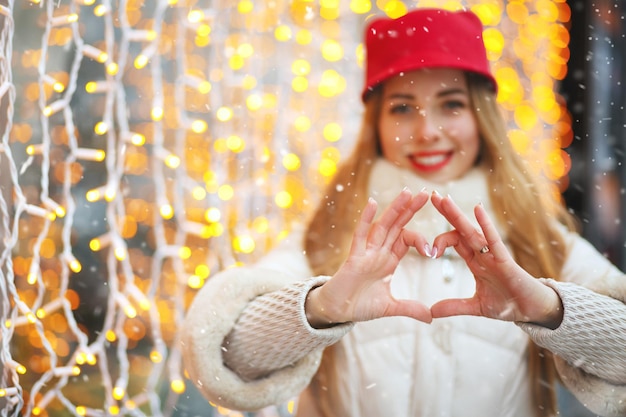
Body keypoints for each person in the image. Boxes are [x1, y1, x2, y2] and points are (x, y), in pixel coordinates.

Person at [181, 8, 626, 417]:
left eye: (450, 103)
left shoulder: (535, 235)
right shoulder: (328, 236)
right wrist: (320, 308)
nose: (426, 131)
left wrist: (550, 309)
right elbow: (223, 357)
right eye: (401, 108)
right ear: (375, 123)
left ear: (481, 116)